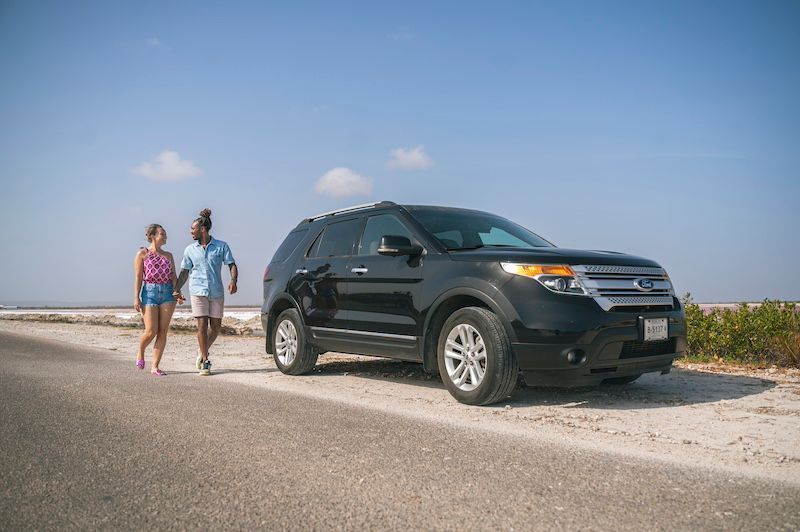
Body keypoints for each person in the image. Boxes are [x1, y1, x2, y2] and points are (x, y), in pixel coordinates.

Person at [173, 208, 237, 376]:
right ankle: (205, 361)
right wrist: (177, 288)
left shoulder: (221, 246)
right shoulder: (189, 250)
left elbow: (231, 264)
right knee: (202, 325)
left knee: (215, 327)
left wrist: (233, 281)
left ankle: (201, 350)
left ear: (202, 229)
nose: (190, 231)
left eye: (192, 228)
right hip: (197, 290)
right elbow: (184, 271)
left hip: (216, 291)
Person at [133, 224, 182, 376]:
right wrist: (136, 297)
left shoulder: (169, 255)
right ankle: (141, 350)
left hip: (168, 293)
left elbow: (173, 276)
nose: (165, 236)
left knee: (162, 332)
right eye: (162, 233)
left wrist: (177, 292)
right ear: (153, 236)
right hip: (149, 292)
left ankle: (155, 366)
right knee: (151, 331)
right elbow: (138, 277)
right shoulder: (143, 253)